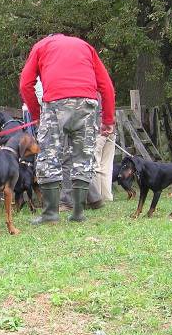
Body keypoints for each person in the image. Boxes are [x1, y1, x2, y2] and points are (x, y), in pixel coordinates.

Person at [19, 33, 116, 223]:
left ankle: (50, 214)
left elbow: (25, 84)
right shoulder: (85, 46)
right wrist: (108, 119)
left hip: (55, 102)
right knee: (83, 158)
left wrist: (37, 114)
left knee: (49, 156)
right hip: (87, 103)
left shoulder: (41, 46)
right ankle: (78, 213)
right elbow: (106, 86)